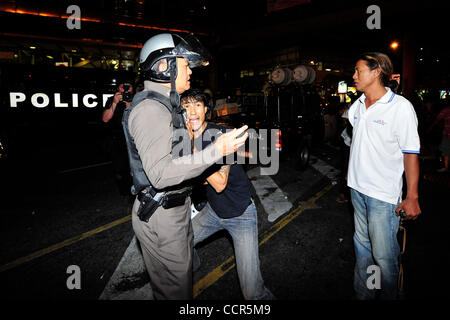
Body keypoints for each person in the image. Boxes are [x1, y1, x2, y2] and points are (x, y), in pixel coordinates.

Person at [122, 33, 248, 300]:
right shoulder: (151, 110)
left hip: (174, 211)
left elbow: (181, 159)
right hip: (162, 214)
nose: (190, 71)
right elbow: (161, 173)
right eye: (185, 64)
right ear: (164, 66)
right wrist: (217, 151)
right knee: (175, 292)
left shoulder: (167, 106)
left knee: (178, 285)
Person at [181, 89, 275, 300]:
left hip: (240, 214)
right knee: (180, 242)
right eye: (186, 106)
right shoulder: (182, 137)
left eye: (197, 105)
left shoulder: (222, 137)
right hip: (213, 211)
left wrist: (191, 145)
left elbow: (220, 183)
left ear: (206, 110)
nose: (192, 111)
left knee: (252, 292)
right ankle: (191, 266)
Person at [347, 52, 421, 300]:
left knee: (384, 256)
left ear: (376, 71)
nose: (354, 75)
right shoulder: (356, 106)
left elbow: (410, 154)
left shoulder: (400, 108)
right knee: (362, 248)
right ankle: (365, 294)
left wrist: (412, 196)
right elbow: (359, 141)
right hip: (356, 190)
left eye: (358, 70)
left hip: (382, 196)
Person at [102, 82, 134, 195]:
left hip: (132, 139)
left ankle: (134, 190)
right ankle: (124, 191)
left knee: (134, 168)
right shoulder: (112, 100)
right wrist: (115, 103)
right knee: (119, 168)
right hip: (117, 140)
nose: (125, 90)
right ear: (118, 88)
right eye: (122, 87)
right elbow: (105, 119)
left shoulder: (136, 99)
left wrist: (128, 103)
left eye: (128, 87)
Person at [429, 102, 450, 172]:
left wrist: (431, 127)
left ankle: (446, 167)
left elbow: (438, 118)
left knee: (446, 151)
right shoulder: (446, 110)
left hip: (447, 134)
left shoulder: (446, 110)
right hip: (446, 134)